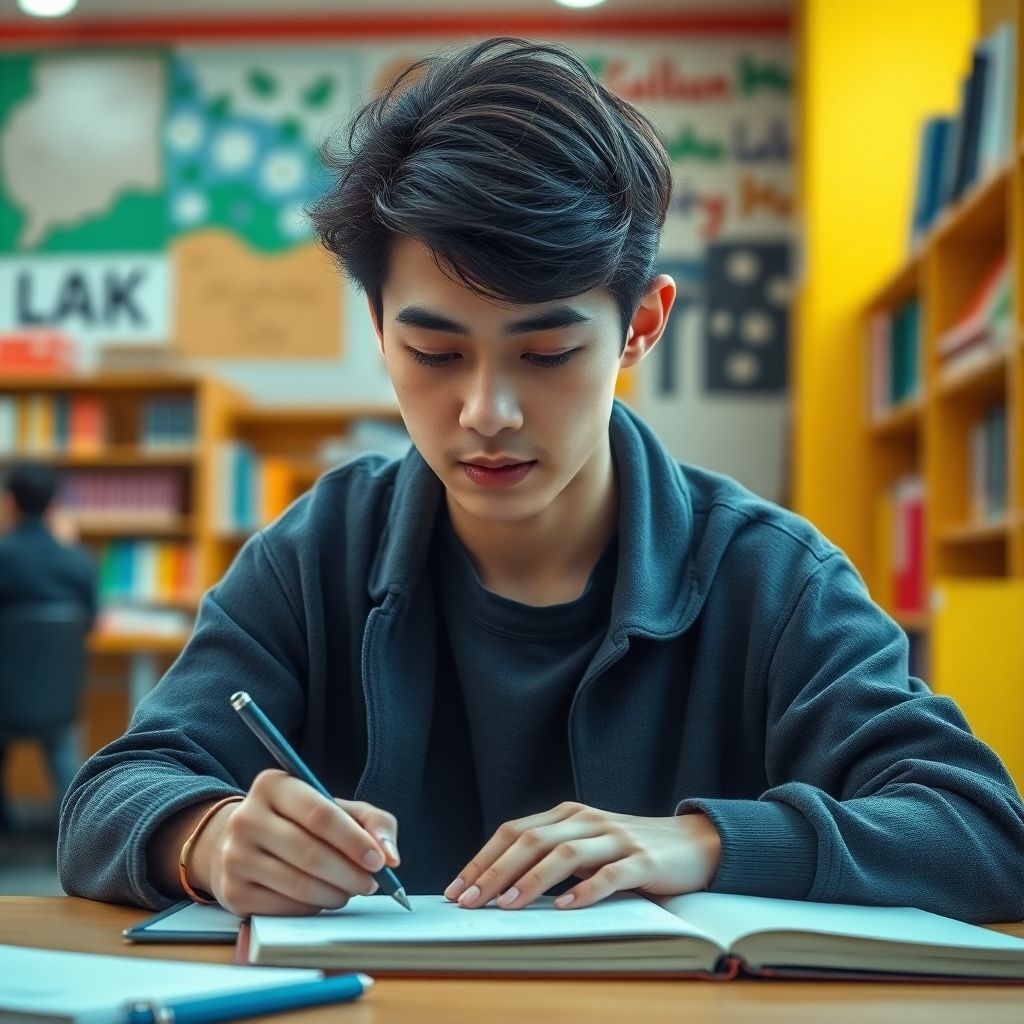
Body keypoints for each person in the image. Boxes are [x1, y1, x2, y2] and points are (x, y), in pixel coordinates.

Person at [58, 38, 1023, 923]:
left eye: (549, 351)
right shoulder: (319, 550)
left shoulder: (770, 578)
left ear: (641, 324)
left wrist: (706, 842)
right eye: (433, 353)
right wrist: (208, 837)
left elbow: (984, 832)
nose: (488, 413)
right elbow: (109, 795)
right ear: (378, 324)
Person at [0, 460, 97, 828]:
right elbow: (88, 623)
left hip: (3, 699)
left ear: (9, 503)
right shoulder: (78, 561)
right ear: (55, 505)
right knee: (61, 741)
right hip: (57, 702)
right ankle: (73, 831)